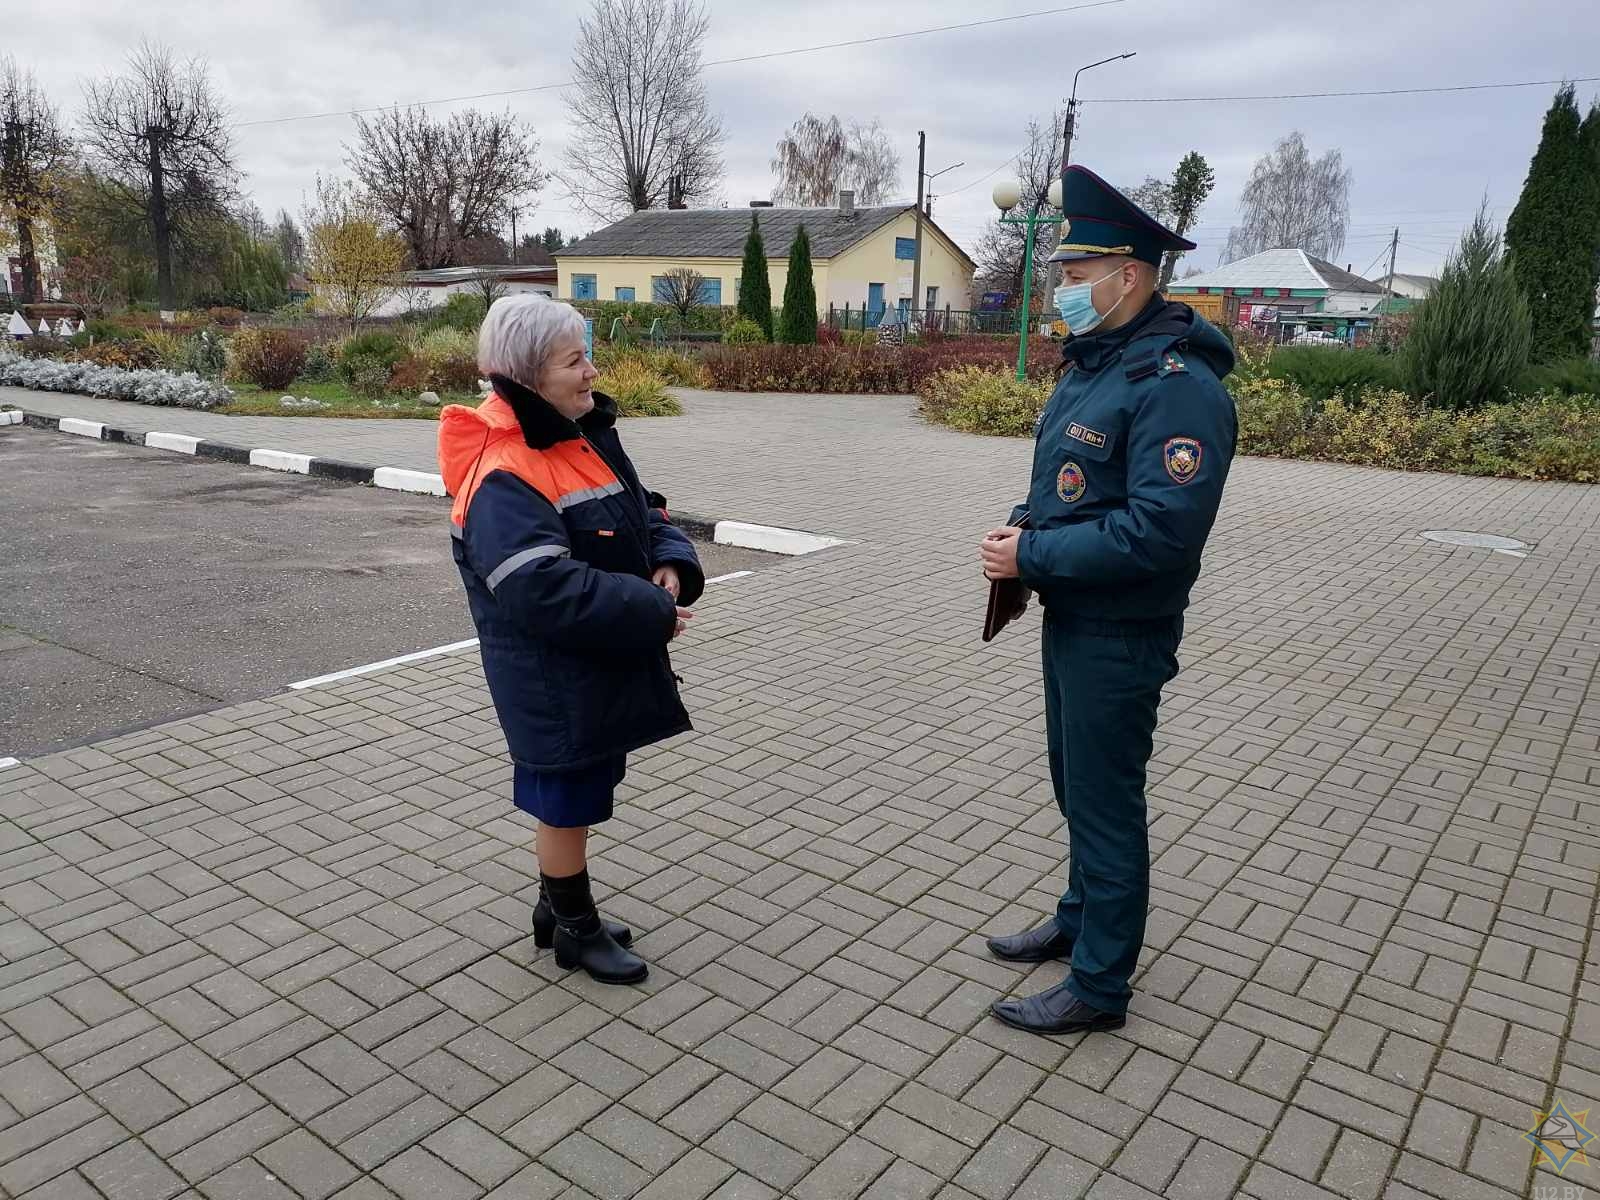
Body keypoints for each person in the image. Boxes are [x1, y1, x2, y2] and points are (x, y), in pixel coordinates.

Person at [979, 165, 1237, 1035]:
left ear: (1129, 275)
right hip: (1075, 611)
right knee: (1072, 784)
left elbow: (1162, 530)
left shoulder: (1177, 384)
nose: (1064, 290)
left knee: (1104, 799)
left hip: (1121, 629)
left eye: (1077, 275)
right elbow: (1072, 484)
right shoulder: (1101, 362)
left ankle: (1099, 985)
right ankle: (1078, 918)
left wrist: (1036, 551)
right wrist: (1025, 532)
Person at [438, 295, 703, 986]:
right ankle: (575, 929)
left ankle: (554, 909)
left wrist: (672, 564)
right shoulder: (504, 470)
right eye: (574, 359)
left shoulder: (572, 432)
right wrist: (651, 610)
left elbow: (641, 511)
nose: (592, 371)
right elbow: (540, 589)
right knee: (566, 798)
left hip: (589, 663)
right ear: (528, 377)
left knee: (580, 790)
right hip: (552, 678)